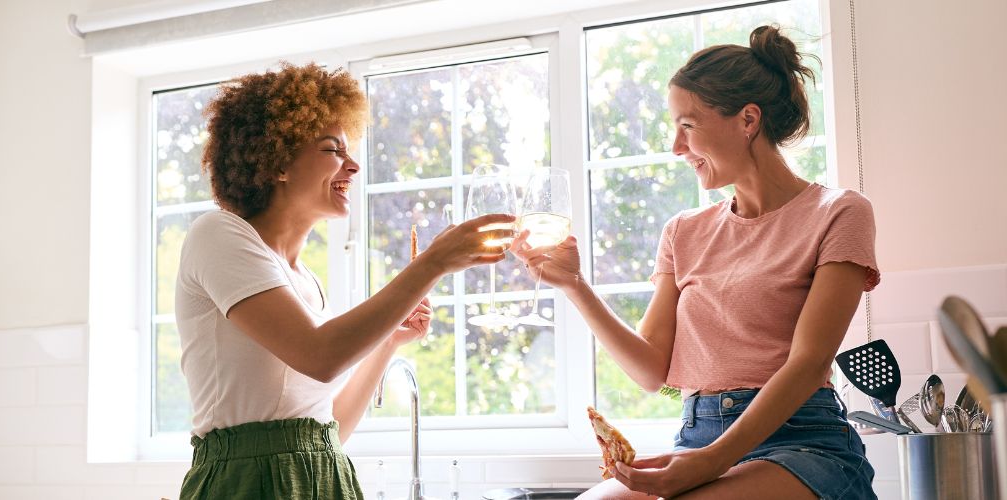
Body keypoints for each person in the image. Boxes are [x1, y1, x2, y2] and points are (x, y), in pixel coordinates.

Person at [512, 26, 879, 500]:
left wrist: (711, 461)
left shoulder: (838, 212)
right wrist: (574, 284)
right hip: (698, 438)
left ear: (748, 120)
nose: (676, 147)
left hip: (803, 442)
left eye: (687, 126)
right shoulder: (683, 231)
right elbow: (651, 371)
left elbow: (809, 364)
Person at [176, 62, 514, 500]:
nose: (353, 166)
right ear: (277, 161)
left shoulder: (305, 281)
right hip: (243, 484)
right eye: (333, 149)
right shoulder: (217, 233)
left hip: (327, 477)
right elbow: (320, 355)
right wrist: (431, 263)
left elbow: (328, 429)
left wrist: (388, 343)